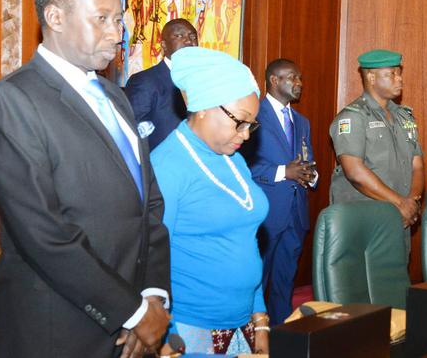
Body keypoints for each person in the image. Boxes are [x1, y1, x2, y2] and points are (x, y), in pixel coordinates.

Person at [0, 0, 170, 358]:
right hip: (56, 329)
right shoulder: (13, 100)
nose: (117, 33)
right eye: (102, 19)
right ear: (56, 17)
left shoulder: (116, 97)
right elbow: (42, 232)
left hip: (127, 326)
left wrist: (152, 296)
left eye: (118, 20)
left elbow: (147, 205)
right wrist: (132, 312)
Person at [151, 46, 270, 355]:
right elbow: (150, 258)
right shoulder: (168, 166)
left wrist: (260, 320)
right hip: (192, 332)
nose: (245, 135)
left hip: (244, 325)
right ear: (203, 106)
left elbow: (246, 239)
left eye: (251, 125)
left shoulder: (233, 158)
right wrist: (168, 339)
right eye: (239, 121)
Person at [242, 58, 317, 325]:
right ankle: (254, 337)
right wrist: (283, 172)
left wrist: (311, 175)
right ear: (274, 80)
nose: (299, 84)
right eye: (293, 78)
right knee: (257, 281)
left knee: (285, 280)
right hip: (266, 215)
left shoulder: (301, 121)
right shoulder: (253, 115)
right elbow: (244, 166)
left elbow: (307, 159)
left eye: (300, 79)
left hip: (295, 214)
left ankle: (282, 336)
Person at [329, 49, 424, 228]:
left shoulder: (404, 116)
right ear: (372, 78)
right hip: (363, 220)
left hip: (401, 216)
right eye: (392, 74)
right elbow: (355, 172)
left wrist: (411, 203)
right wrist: (400, 203)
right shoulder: (352, 117)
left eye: (399, 73)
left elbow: (417, 165)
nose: (399, 78)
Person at [125, 18, 198, 150]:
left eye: (192, 36)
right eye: (179, 36)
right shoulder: (144, 81)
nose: (188, 41)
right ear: (164, 45)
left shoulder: (203, 81)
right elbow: (134, 136)